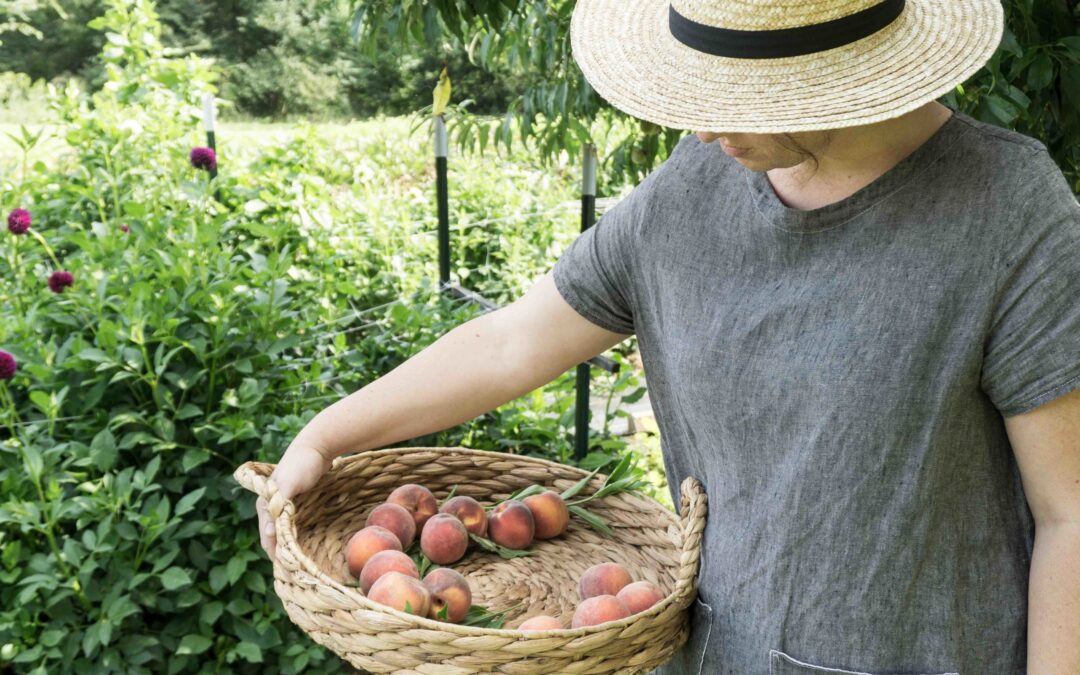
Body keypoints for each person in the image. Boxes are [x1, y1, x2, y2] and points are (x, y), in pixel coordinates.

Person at [255, 0, 1080, 673]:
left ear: (827, 73)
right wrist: (327, 436)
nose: (698, 124)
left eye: (731, 91)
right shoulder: (695, 189)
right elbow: (513, 341)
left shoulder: (1009, 215)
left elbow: (1068, 511)